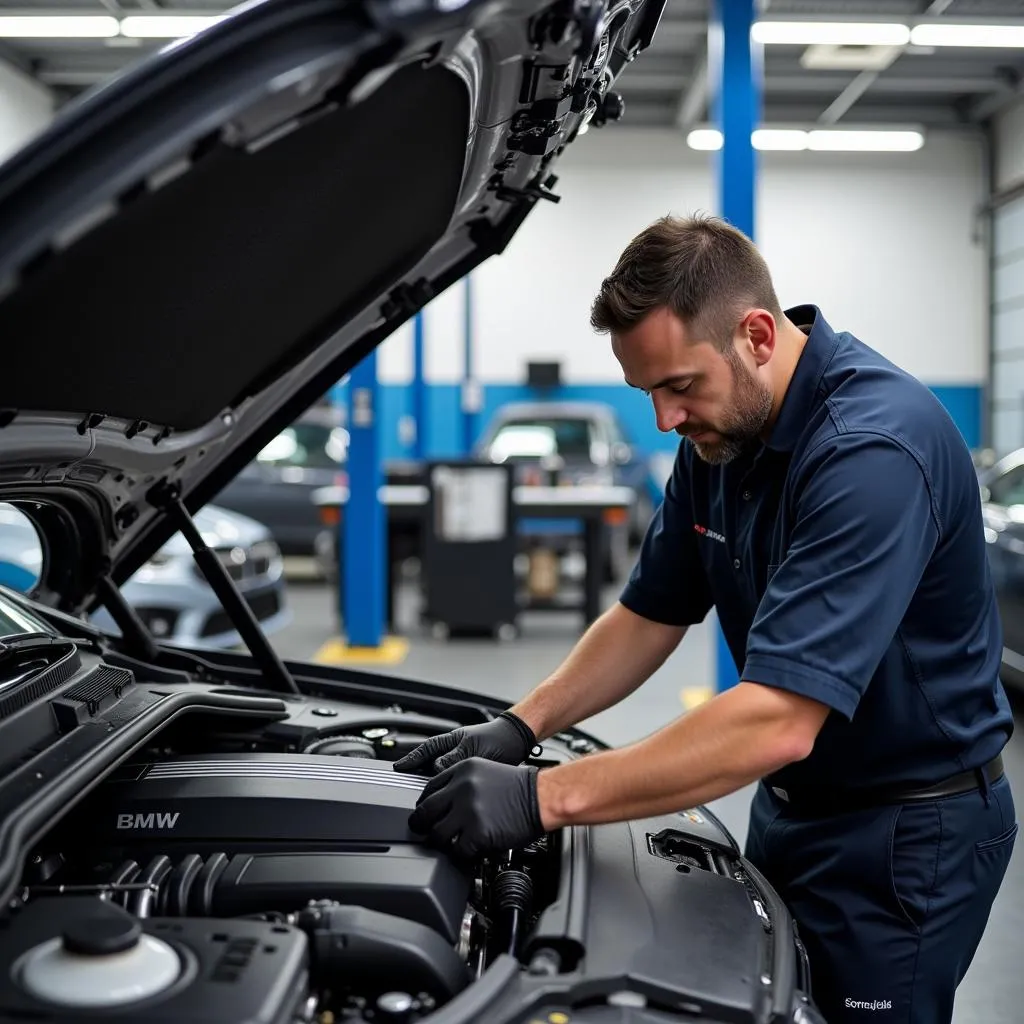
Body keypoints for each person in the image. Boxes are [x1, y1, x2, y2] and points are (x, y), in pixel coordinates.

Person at [394, 214, 1017, 1023]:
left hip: (905, 837)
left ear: (757, 335)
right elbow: (648, 614)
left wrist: (541, 798)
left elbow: (776, 722)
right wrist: (520, 725)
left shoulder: (872, 452)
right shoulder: (723, 436)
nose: (664, 420)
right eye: (647, 392)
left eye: (680, 386)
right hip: (794, 809)